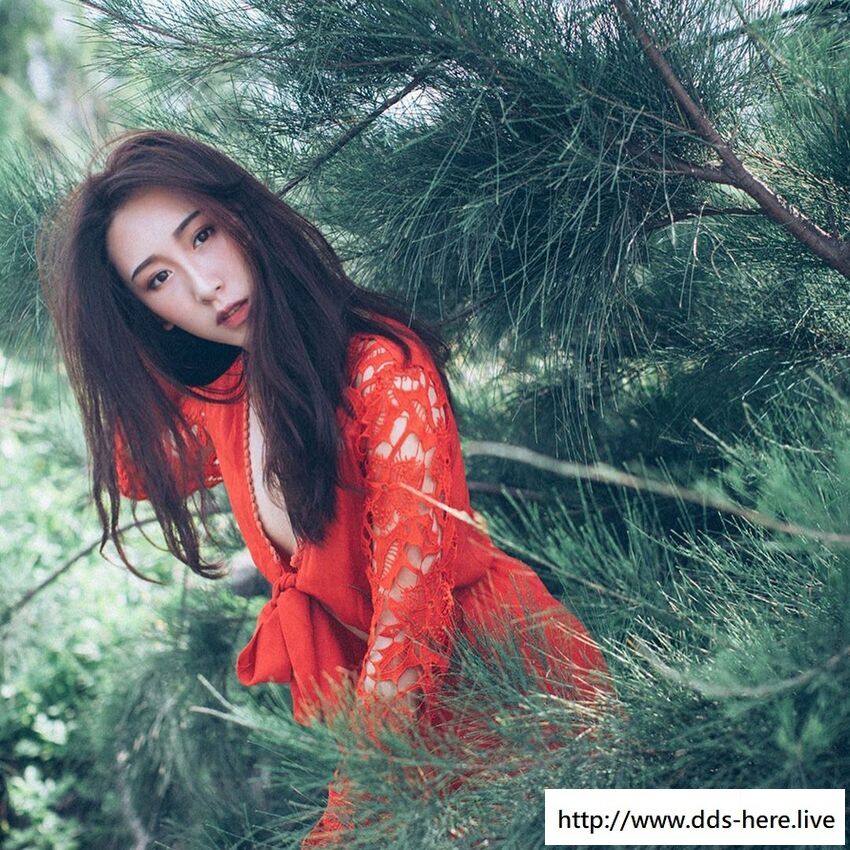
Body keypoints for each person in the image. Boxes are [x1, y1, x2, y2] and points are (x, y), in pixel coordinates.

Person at [40, 130, 611, 846]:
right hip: (400, 740)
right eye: (159, 279)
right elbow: (135, 471)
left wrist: (349, 819)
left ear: (242, 218)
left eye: (203, 235)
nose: (204, 285)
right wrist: (116, 336)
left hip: (512, 699)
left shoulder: (382, 370)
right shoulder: (228, 398)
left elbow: (408, 626)